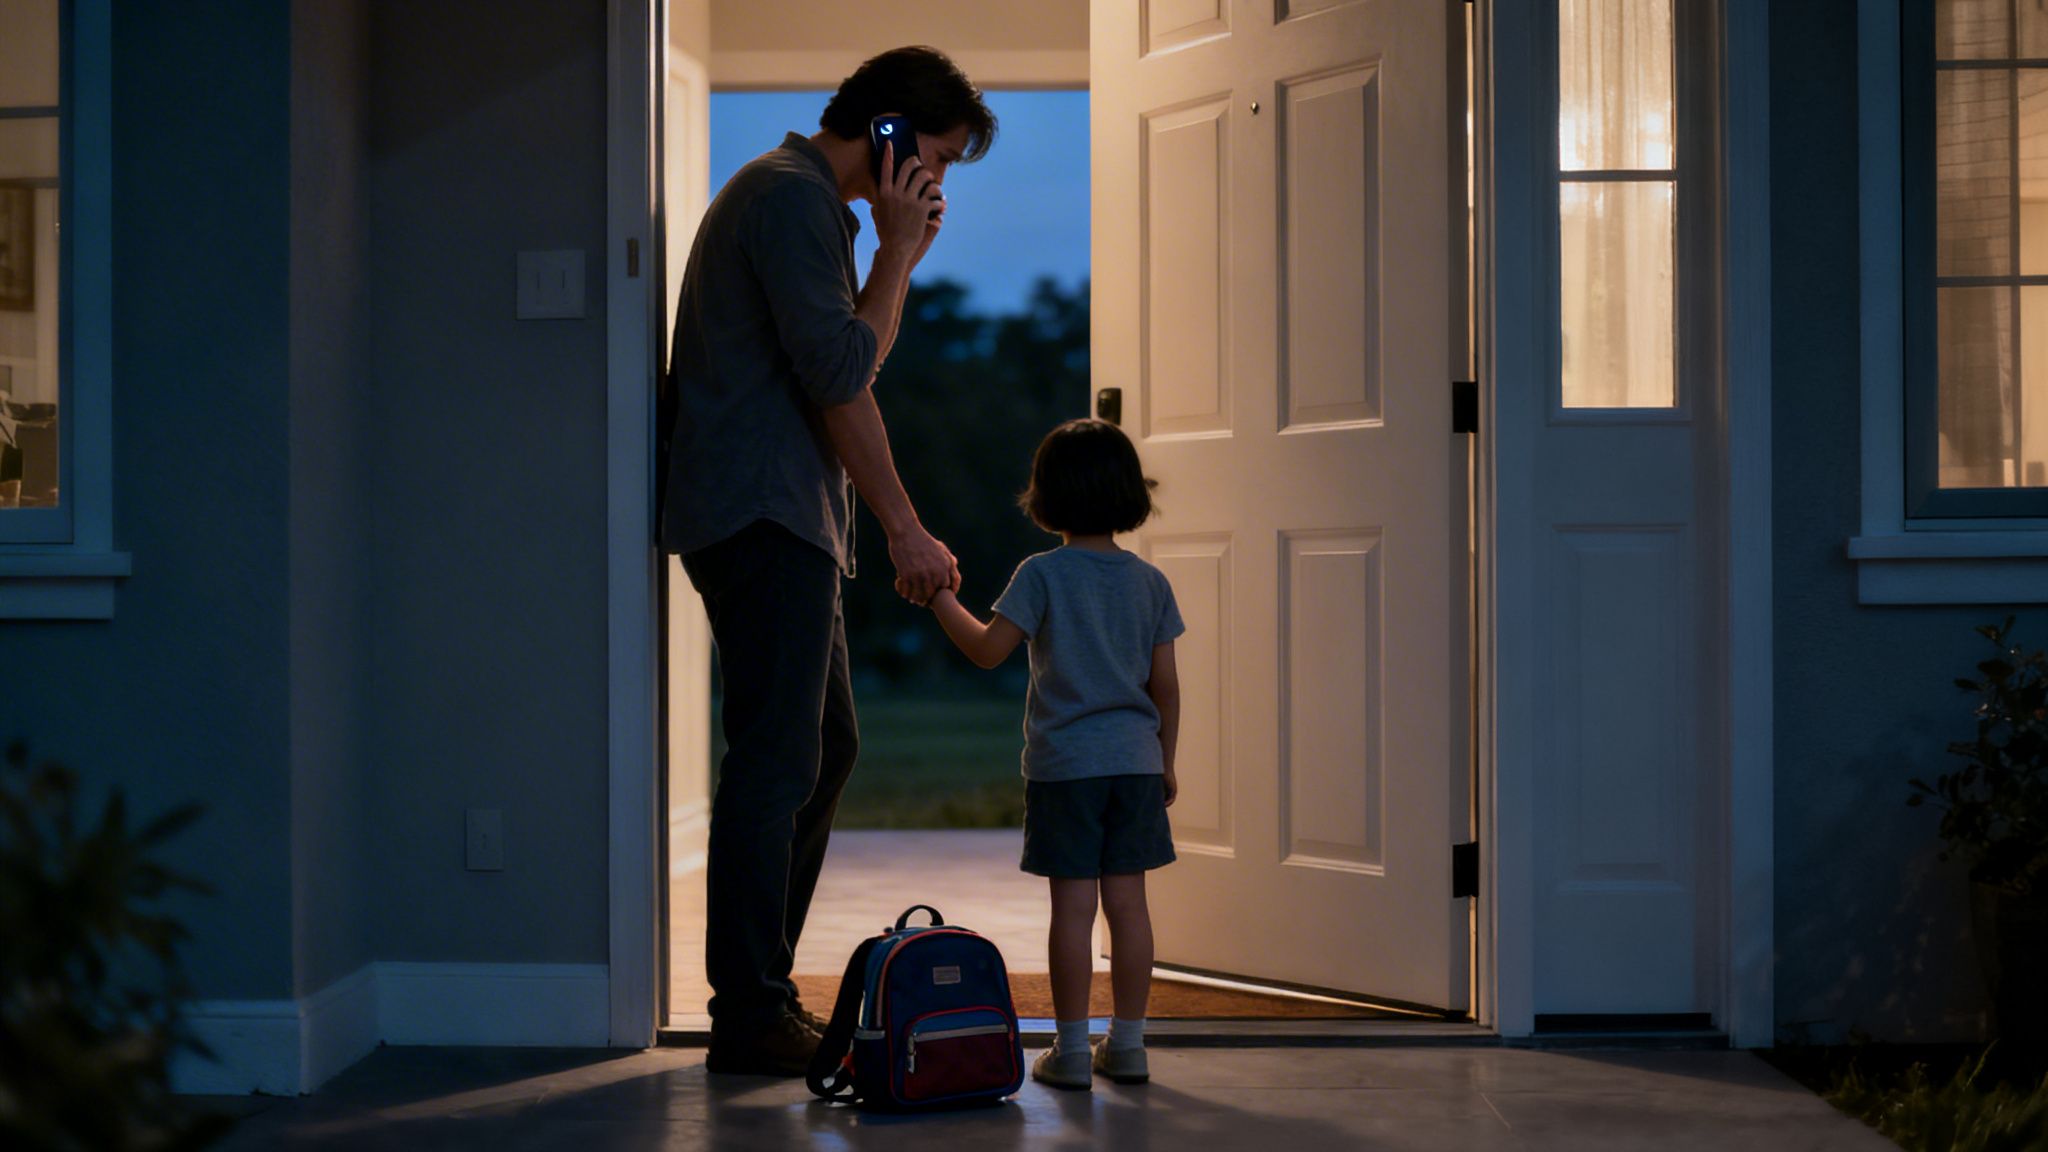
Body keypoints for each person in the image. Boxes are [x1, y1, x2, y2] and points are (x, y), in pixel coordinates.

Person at [661, 46, 996, 1077]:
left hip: (790, 516)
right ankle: (749, 1012)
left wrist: (891, 257)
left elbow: (840, 368)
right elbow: (843, 373)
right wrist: (895, 259)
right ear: (888, 130)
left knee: (825, 747)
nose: (935, 181)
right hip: (760, 514)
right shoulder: (790, 198)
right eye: (932, 156)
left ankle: (761, 992)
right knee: (775, 760)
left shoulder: (809, 206)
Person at [924, 418, 1183, 1091]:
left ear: (1045, 496)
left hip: (1067, 768)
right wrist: (1168, 760)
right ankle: (1127, 1047)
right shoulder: (1149, 583)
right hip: (1135, 763)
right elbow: (1166, 686)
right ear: (1131, 493)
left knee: (1073, 910)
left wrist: (939, 596)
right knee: (1129, 906)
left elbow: (985, 650)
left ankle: (1070, 1052)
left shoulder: (1041, 575)